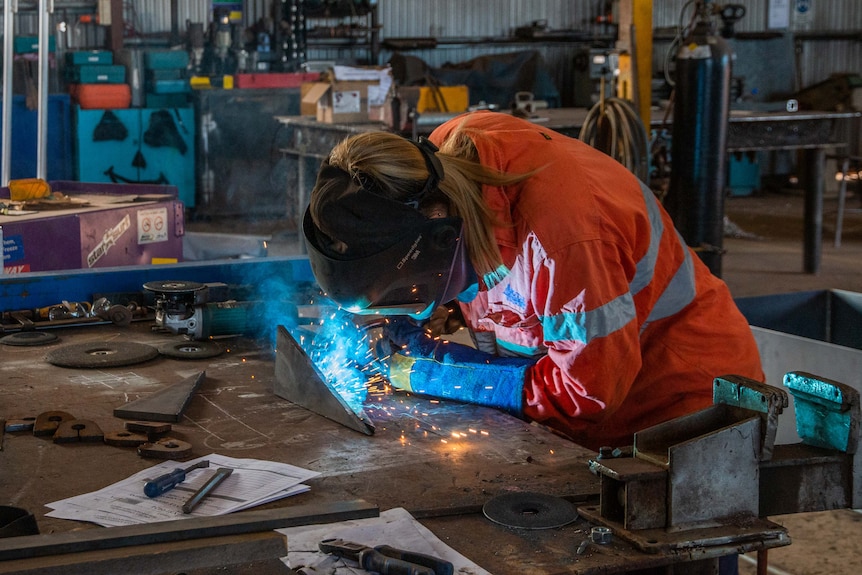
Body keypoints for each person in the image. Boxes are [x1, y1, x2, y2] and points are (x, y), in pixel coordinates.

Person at [302, 110, 764, 451]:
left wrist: (424, 369)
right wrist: (435, 314)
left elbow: (586, 395)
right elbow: (491, 284)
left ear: (440, 240)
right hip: (597, 410)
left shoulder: (563, 243)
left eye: (406, 296)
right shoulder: (446, 165)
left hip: (679, 412)